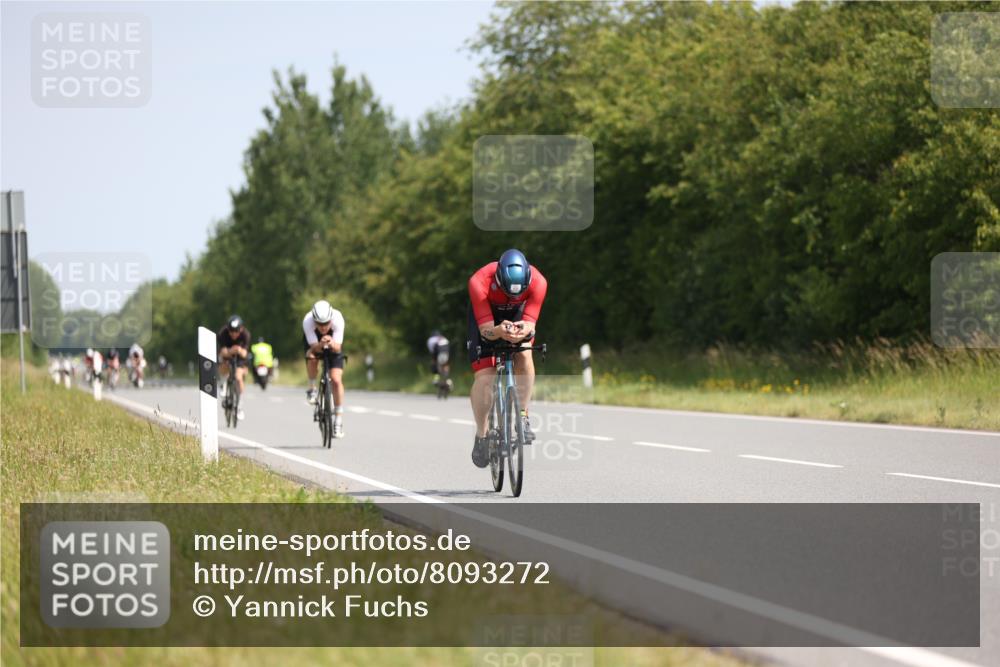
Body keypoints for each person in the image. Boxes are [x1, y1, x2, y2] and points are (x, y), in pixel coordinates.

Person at [467, 249, 547, 468]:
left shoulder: (539, 282)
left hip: (517, 316)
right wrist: (498, 332)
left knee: (524, 352)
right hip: (487, 318)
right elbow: (485, 331)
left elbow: (530, 324)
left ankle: (523, 415)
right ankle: (482, 435)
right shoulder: (479, 281)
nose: (512, 295)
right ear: (499, 279)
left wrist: (523, 331)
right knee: (485, 377)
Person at [302, 299, 346, 438]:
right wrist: (320, 344)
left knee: (336, 380)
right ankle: (312, 388)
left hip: (333, 343)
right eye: (319, 324)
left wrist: (331, 343)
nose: (323, 327)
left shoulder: (338, 319)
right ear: (314, 320)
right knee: (311, 357)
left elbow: (338, 347)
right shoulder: (308, 321)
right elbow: (313, 347)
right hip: (315, 343)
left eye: (326, 323)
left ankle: (338, 421)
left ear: (331, 319)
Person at [217, 315, 250, 420]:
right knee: (223, 365)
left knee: (239, 377)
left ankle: (239, 405)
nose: (234, 334)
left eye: (236, 331)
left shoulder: (246, 335)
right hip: (227, 355)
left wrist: (239, 350)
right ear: (228, 329)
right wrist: (231, 351)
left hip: (240, 357)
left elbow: (245, 353)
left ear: (241, 329)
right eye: (231, 331)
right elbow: (223, 352)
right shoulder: (222, 333)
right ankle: (223, 384)